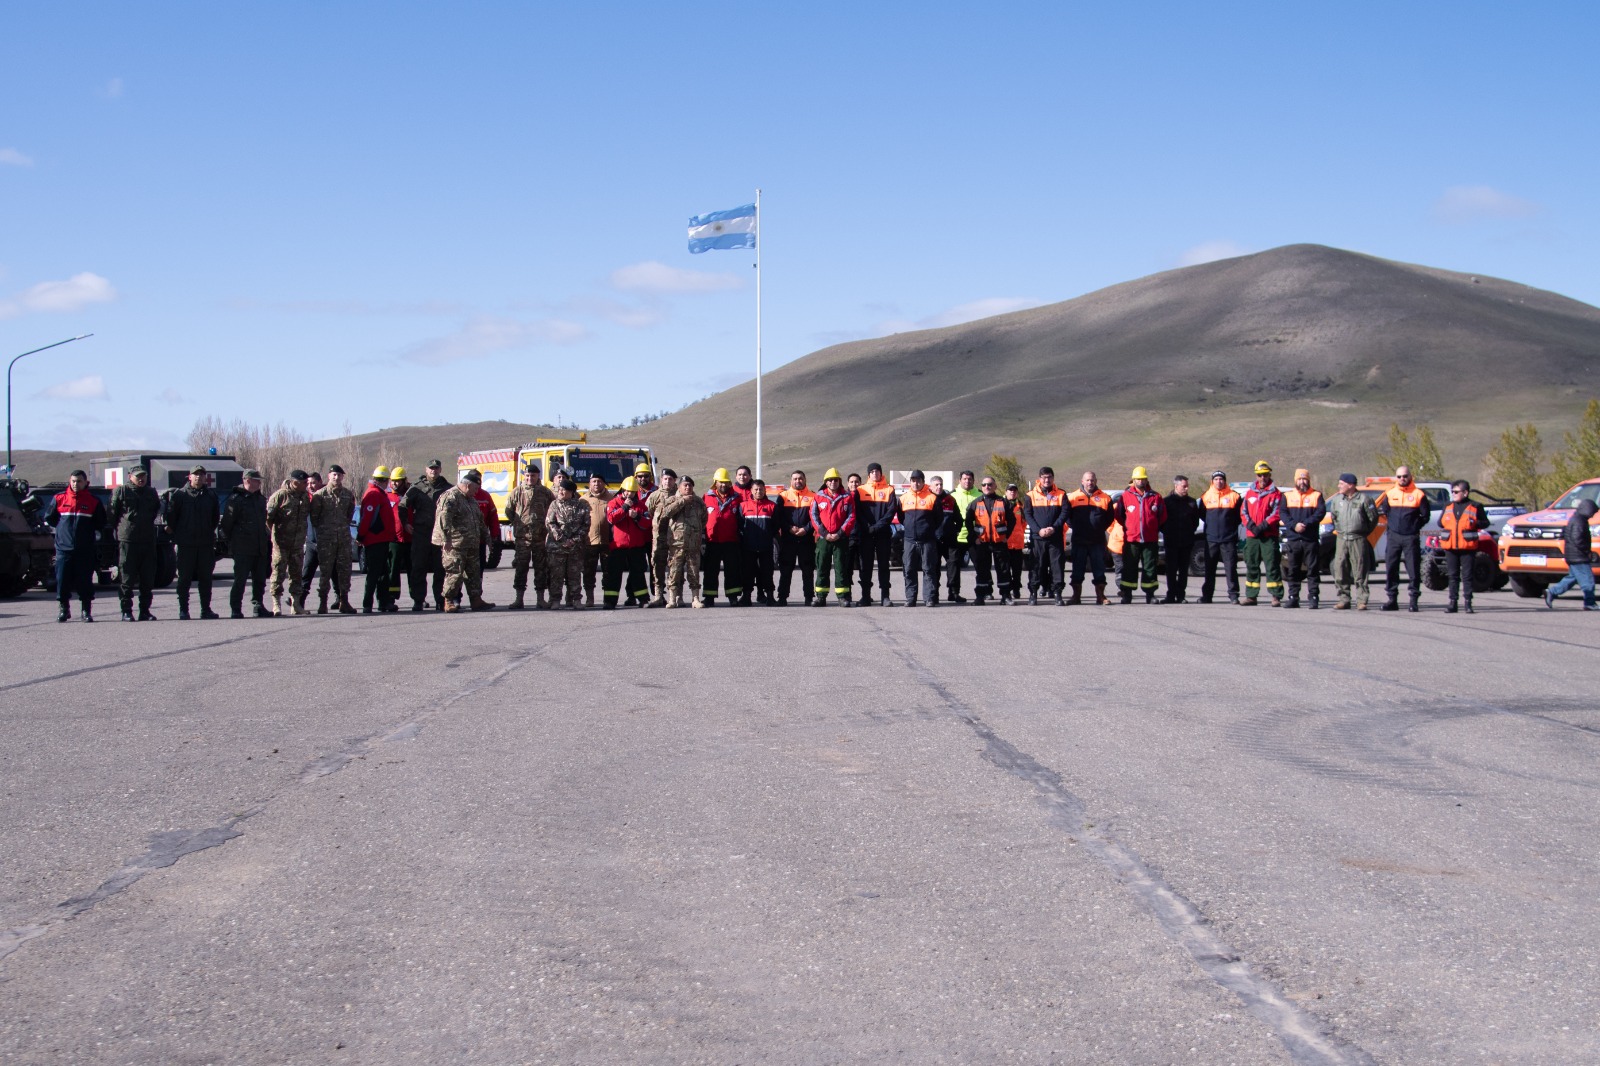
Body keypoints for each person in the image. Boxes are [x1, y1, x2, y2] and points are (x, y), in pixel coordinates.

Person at [49, 469, 106, 622]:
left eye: (79, 481)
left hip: (84, 549)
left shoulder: (93, 501)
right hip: (63, 549)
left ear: (85, 482)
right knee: (62, 580)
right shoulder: (59, 498)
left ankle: (86, 611)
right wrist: (63, 533)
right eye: (73, 481)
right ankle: (64, 609)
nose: (75, 484)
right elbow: (50, 518)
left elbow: (100, 522)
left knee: (85, 581)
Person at [167, 464, 222, 620]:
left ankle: (206, 609)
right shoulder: (180, 495)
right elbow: (171, 517)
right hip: (186, 544)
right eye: (195, 474)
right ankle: (183, 610)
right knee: (184, 579)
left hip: (205, 543)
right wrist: (181, 532)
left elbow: (214, 518)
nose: (199, 477)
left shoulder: (211, 495)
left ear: (205, 477)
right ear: (189, 477)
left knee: (206, 578)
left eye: (201, 474)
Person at [434, 470, 495, 612]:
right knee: (454, 573)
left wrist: (488, 539)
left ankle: (476, 600)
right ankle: (448, 600)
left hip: (471, 544)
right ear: (468, 486)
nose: (477, 492)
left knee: (473, 573)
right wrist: (446, 539)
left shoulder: (471, 499)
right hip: (455, 545)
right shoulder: (451, 497)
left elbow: (480, 521)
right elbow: (443, 520)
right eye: (475, 489)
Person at [106, 465, 161, 621]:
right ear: (130, 476)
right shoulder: (121, 491)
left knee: (147, 578)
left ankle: (144, 610)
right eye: (138, 476)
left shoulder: (151, 493)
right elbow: (112, 515)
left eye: (143, 476)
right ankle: (126, 610)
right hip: (128, 540)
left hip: (147, 540)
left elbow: (155, 511)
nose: (141, 479)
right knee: (127, 578)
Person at [1376, 465, 1432, 612]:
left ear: (1410, 476)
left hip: (1410, 537)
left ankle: (1413, 600)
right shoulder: (1390, 493)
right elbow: (1385, 511)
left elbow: (1425, 516)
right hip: (1394, 536)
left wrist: (1414, 527)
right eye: (1399, 476)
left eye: (1405, 476)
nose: (1402, 479)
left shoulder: (1419, 494)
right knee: (1391, 567)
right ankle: (1392, 599)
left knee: (1413, 569)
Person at [221, 468, 271, 619]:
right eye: (257, 480)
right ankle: (236, 608)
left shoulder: (260, 499)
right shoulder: (236, 499)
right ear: (247, 480)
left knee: (260, 579)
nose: (259, 483)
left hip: (259, 546)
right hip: (242, 547)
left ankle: (258, 606)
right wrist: (235, 541)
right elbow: (227, 524)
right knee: (240, 580)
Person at [506, 462, 556, 610]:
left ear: (537, 476)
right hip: (523, 539)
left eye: (532, 476)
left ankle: (540, 599)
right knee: (521, 568)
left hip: (540, 538)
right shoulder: (517, 491)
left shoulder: (545, 492)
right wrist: (518, 522)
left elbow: (552, 509)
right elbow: (509, 510)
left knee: (541, 569)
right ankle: (519, 599)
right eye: (527, 476)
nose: (530, 478)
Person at [1112, 467, 1165, 604]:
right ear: (1133, 480)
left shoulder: (1155, 496)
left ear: (1147, 479)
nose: (1140, 481)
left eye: (1142, 478)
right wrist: (1129, 527)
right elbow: (1119, 515)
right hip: (1131, 539)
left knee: (1150, 567)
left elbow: (1162, 516)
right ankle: (1127, 594)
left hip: (1150, 539)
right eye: (1137, 478)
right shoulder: (1125, 496)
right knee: (1129, 567)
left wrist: (1152, 528)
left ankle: (1150, 594)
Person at [1327, 473, 1380, 610]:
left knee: (1360, 569)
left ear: (1350, 485)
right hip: (1341, 538)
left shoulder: (1364, 500)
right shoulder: (1337, 500)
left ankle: (1361, 599)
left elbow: (1373, 519)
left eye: (1341, 483)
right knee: (1340, 569)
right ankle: (1343, 598)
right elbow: (1334, 517)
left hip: (1358, 539)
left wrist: (1362, 532)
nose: (1339, 486)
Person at [309, 464, 357, 614]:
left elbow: (349, 514)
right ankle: (323, 602)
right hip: (326, 540)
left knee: (344, 571)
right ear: (329, 476)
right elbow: (314, 518)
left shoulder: (348, 495)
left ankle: (344, 601)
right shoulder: (320, 495)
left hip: (343, 539)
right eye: (334, 475)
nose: (336, 477)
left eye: (339, 475)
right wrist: (326, 530)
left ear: (343, 476)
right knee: (325, 572)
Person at [1438, 479, 1490, 614]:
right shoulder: (1448, 506)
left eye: (1456, 491)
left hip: (1467, 547)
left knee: (1467, 576)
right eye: (1452, 492)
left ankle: (1468, 603)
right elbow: (1440, 523)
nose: (1453, 494)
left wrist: (1475, 522)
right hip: (1450, 547)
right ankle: (1453, 603)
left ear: (1465, 493)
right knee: (1452, 576)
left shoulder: (1476, 506)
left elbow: (1485, 523)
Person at [265, 469, 311, 615]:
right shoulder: (280, 496)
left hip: (297, 544)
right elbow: (268, 518)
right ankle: (276, 604)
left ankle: (295, 604)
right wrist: (275, 535)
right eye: (304, 483)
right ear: (295, 483)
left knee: (296, 574)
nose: (307, 485)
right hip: (281, 544)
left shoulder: (304, 497)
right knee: (278, 573)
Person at [1281, 469, 1327, 609]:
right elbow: (1283, 513)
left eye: (1305, 479)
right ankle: (1293, 597)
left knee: (1312, 570)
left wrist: (1305, 524)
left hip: (1310, 539)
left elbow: (1320, 513)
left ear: (1309, 480)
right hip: (1294, 540)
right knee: (1293, 570)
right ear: (1295, 480)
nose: (1302, 482)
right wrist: (1294, 525)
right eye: (1300, 479)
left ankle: (1313, 597)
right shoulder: (1287, 496)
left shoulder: (1316, 495)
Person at [1065, 471, 1113, 606]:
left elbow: (1110, 518)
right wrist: (1075, 526)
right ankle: (1076, 596)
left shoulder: (1105, 498)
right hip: (1079, 540)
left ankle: (1101, 596)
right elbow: (1067, 516)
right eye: (1087, 480)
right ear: (1082, 481)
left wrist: (1099, 528)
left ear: (1096, 481)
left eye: (1092, 480)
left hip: (1097, 541)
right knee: (1077, 569)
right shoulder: (1073, 497)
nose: (1090, 483)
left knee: (1099, 569)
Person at [1241, 461, 1285, 606]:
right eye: (1260, 475)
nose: (1262, 478)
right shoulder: (1249, 493)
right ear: (1256, 475)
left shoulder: (1276, 494)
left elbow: (1276, 513)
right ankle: (1251, 596)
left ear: (1269, 475)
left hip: (1268, 535)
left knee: (1272, 565)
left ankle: (1276, 596)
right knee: (1251, 564)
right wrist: (1252, 525)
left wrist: (1264, 525)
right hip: (1252, 535)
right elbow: (1243, 511)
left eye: (1265, 475)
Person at [659, 476, 708, 608]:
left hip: (693, 544)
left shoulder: (698, 502)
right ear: (679, 487)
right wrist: (682, 501)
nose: (687, 488)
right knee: (674, 572)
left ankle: (695, 598)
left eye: (690, 485)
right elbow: (666, 513)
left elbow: (704, 519)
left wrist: (695, 531)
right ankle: (672, 599)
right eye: (685, 485)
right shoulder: (672, 500)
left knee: (694, 572)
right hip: (676, 544)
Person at [407, 460, 450, 610]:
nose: (434, 471)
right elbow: (402, 506)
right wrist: (406, 524)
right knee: (418, 567)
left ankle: (440, 599)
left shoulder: (447, 488)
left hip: (440, 534)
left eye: (436, 468)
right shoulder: (416, 488)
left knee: (440, 568)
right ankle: (418, 600)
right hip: (421, 533)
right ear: (426, 470)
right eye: (431, 468)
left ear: (440, 469)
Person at [603, 476, 652, 608]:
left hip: (636, 546)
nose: (630, 494)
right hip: (618, 546)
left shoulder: (641, 506)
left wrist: (637, 517)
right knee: (614, 574)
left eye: (633, 491)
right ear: (623, 490)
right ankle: (610, 601)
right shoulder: (613, 503)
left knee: (638, 574)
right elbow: (611, 518)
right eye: (628, 491)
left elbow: (647, 523)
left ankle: (642, 599)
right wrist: (624, 508)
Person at [810, 468, 856, 606]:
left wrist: (840, 533)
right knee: (822, 567)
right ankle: (821, 597)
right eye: (830, 480)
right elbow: (813, 516)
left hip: (840, 539)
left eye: (836, 480)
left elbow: (851, 516)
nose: (833, 482)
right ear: (826, 482)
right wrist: (824, 533)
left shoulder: (847, 497)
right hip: (823, 539)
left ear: (839, 481)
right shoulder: (818, 497)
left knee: (841, 568)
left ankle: (842, 597)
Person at [964, 475, 1013, 605]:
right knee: (982, 571)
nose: (987, 487)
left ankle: (1006, 596)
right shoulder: (976, 503)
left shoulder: (1003, 502)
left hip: (999, 542)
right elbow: (968, 522)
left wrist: (1006, 536)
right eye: (984, 485)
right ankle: (980, 596)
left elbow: (1012, 520)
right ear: (981, 487)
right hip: (982, 543)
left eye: (990, 484)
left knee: (1003, 570)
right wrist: (974, 538)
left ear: (995, 486)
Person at [855, 463, 899, 606]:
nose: (875, 474)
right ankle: (865, 596)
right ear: (868, 474)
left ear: (881, 473)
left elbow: (891, 511)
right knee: (865, 566)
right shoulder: (860, 490)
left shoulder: (889, 490)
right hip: (866, 533)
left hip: (883, 534)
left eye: (877, 471)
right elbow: (857, 511)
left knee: (883, 566)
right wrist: (867, 527)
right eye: (872, 471)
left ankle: (885, 596)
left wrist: (878, 526)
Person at [1023, 467, 1067, 605]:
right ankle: (1033, 593)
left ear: (1053, 478)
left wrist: (1053, 528)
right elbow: (1027, 515)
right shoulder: (1030, 495)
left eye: (1049, 477)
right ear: (1039, 479)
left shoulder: (1061, 494)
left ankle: (1057, 593)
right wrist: (1038, 530)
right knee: (1037, 566)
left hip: (1055, 537)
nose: (1046, 480)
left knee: (1057, 566)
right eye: (1044, 477)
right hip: (1038, 538)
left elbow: (1064, 513)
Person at [544, 477, 590, 610]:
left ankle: (576, 600)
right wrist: (562, 539)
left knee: (574, 575)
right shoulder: (554, 504)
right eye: (561, 489)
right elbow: (550, 523)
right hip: (557, 547)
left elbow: (586, 525)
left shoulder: (581, 505)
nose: (562, 492)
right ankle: (555, 600)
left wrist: (574, 540)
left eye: (565, 490)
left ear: (572, 492)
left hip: (575, 547)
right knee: (556, 575)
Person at [1543, 499, 1598, 610]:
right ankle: (1590, 602)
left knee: (1572, 578)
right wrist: (1587, 552)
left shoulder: (1576, 519)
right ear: (1587, 509)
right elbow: (1577, 539)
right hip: (1579, 556)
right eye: (1592, 512)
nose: (1592, 515)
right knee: (1588, 580)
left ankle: (1551, 592)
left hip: (1573, 555)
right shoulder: (1579, 521)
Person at [357, 466, 399, 613]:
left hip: (381, 539)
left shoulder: (379, 494)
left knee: (382, 573)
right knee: (375, 573)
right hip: (375, 540)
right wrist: (361, 536)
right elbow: (367, 518)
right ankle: (367, 603)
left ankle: (383, 602)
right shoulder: (374, 495)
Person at [898, 470, 941, 607]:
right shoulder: (903, 498)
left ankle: (929, 598)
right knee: (909, 569)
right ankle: (911, 598)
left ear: (923, 482)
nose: (915, 483)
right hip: (909, 540)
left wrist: (927, 530)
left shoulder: (932, 498)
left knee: (928, 569)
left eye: (918, 480)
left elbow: (938, 519)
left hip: (927, 540)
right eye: (913, 480)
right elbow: (901, 517)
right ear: (910, 482)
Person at [702, 468, 745, 606]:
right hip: (712, 541)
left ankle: (733, 596)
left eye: (726, 482)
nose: (723, 485)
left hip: (731, 540)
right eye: (721, 482)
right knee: (710, 570)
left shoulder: (737, 498)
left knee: (732, 570)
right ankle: (709, 597)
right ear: (715, 482)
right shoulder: (706, 497)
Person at [1199, 471, 1242, 604]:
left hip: (1228, 539)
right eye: (1216, 479)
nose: (1219, 481)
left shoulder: (1234, 496)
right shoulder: (1205, 496)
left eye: (1221, 479)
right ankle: (1207, 596)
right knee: (1209, 569)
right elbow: (1202, 515)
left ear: (1225, 480)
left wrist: (1229, 528)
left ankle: (1233, 595)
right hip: (1211, 539)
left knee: (1230, 568)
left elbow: (1239, 517)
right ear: (1213, 481)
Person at [777, 470, 817, 606]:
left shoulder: (813, 496)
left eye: (800, 478)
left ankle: (809, 597)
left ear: (805, 480)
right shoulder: (783, 496)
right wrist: (789, 528)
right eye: (795, 479)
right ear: (791, 481)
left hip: (806, 540)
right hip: (788, 540)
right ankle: (782, 597)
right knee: (786, 569)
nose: (798, 481)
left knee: (808, 569)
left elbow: (816, 517)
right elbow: (778, 517)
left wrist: (806, 529)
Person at [1161, 475, 1200, 604]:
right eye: (1184, 486)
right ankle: (1170, 595)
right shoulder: (1166, 502)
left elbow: (1195, 522)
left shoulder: (1192, 502)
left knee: (1183, 570)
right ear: (1176, 486)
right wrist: (1167, 532)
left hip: (1186, 542)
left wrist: (1188, 532)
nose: (1186, 488)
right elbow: (1161, 522)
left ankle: (1181, 595)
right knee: (1171, 570)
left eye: (1187, 486)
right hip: (1171, 542)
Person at [643, 467, 679, 607]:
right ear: (661, 480)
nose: (668, 481)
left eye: (670, 479)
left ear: (674, 481)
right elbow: (649, 513)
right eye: (665, 479)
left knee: (675, 567)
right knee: (657, 565)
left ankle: (674, 597)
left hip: (675, 537)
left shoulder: (679, 495)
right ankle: (658, 595)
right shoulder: (654, 496)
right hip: (659, 537)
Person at [739, 478, 778, 605]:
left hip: (765, 546)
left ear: (765, 490)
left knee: (767, 572)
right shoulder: (743, 505)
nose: (758, 491)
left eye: (761, 489)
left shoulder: (772, 506)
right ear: (751, 490)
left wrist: (767, 535)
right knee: (748, 572)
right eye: (756, 489)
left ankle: (770, 596)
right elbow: (739, 525)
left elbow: (775, 526)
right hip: (748, 547)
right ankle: (746, 596)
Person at [945, 471, 982, 603]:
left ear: (974, 481)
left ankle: (983, 591)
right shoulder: (952, 495)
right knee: (953, 566)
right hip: (957, 537)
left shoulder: (980, 495)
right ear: (959, 480)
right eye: (965, 479)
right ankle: (953, 593)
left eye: (970, 479)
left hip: (975, 536)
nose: (967, 481)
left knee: (980, 565)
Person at [580, 474, 612, 607]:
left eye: (599, 481)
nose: (596, 484)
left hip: (607, 542)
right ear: (590, 483)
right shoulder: (583, 500)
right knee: (588, 572)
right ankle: (589, 598)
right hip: (589, 542)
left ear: (603, 483)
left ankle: (608, 599)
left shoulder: (611, 499)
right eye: (593, 481)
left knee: (608, 573)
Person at [386, 467, 412, 610]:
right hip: (394, 540)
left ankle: (417, 597)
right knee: (393, 570)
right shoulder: (387, 496)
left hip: (410, 539)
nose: (394, 484)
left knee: (413, 569)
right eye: (393, 481)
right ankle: (391, 598)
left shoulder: (412, 495)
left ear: (404, 481)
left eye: (397, 481)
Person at [301, 470, 324, 592]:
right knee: (307, 571)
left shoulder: (326, 497)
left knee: (333, 573)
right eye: (308, 483)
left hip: (326, 542)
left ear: (320, 482)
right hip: (311, 542)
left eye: (313, 483)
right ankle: (299, 600)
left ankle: (340, 599)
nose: (310, 486)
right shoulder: (304, 498)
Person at [1003, 483, 1027, 600]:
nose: (1012, 492)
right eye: (1010, 490)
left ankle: (1016, 589)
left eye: (1014, 491)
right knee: (1006, 569)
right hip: (1005, 543)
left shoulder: (1020, 506)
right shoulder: (1002, 505)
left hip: (1017, 544)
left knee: (1017, 570)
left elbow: (1024, 523)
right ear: (1006, 492)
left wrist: (1020, 534)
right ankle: (1007, 590)